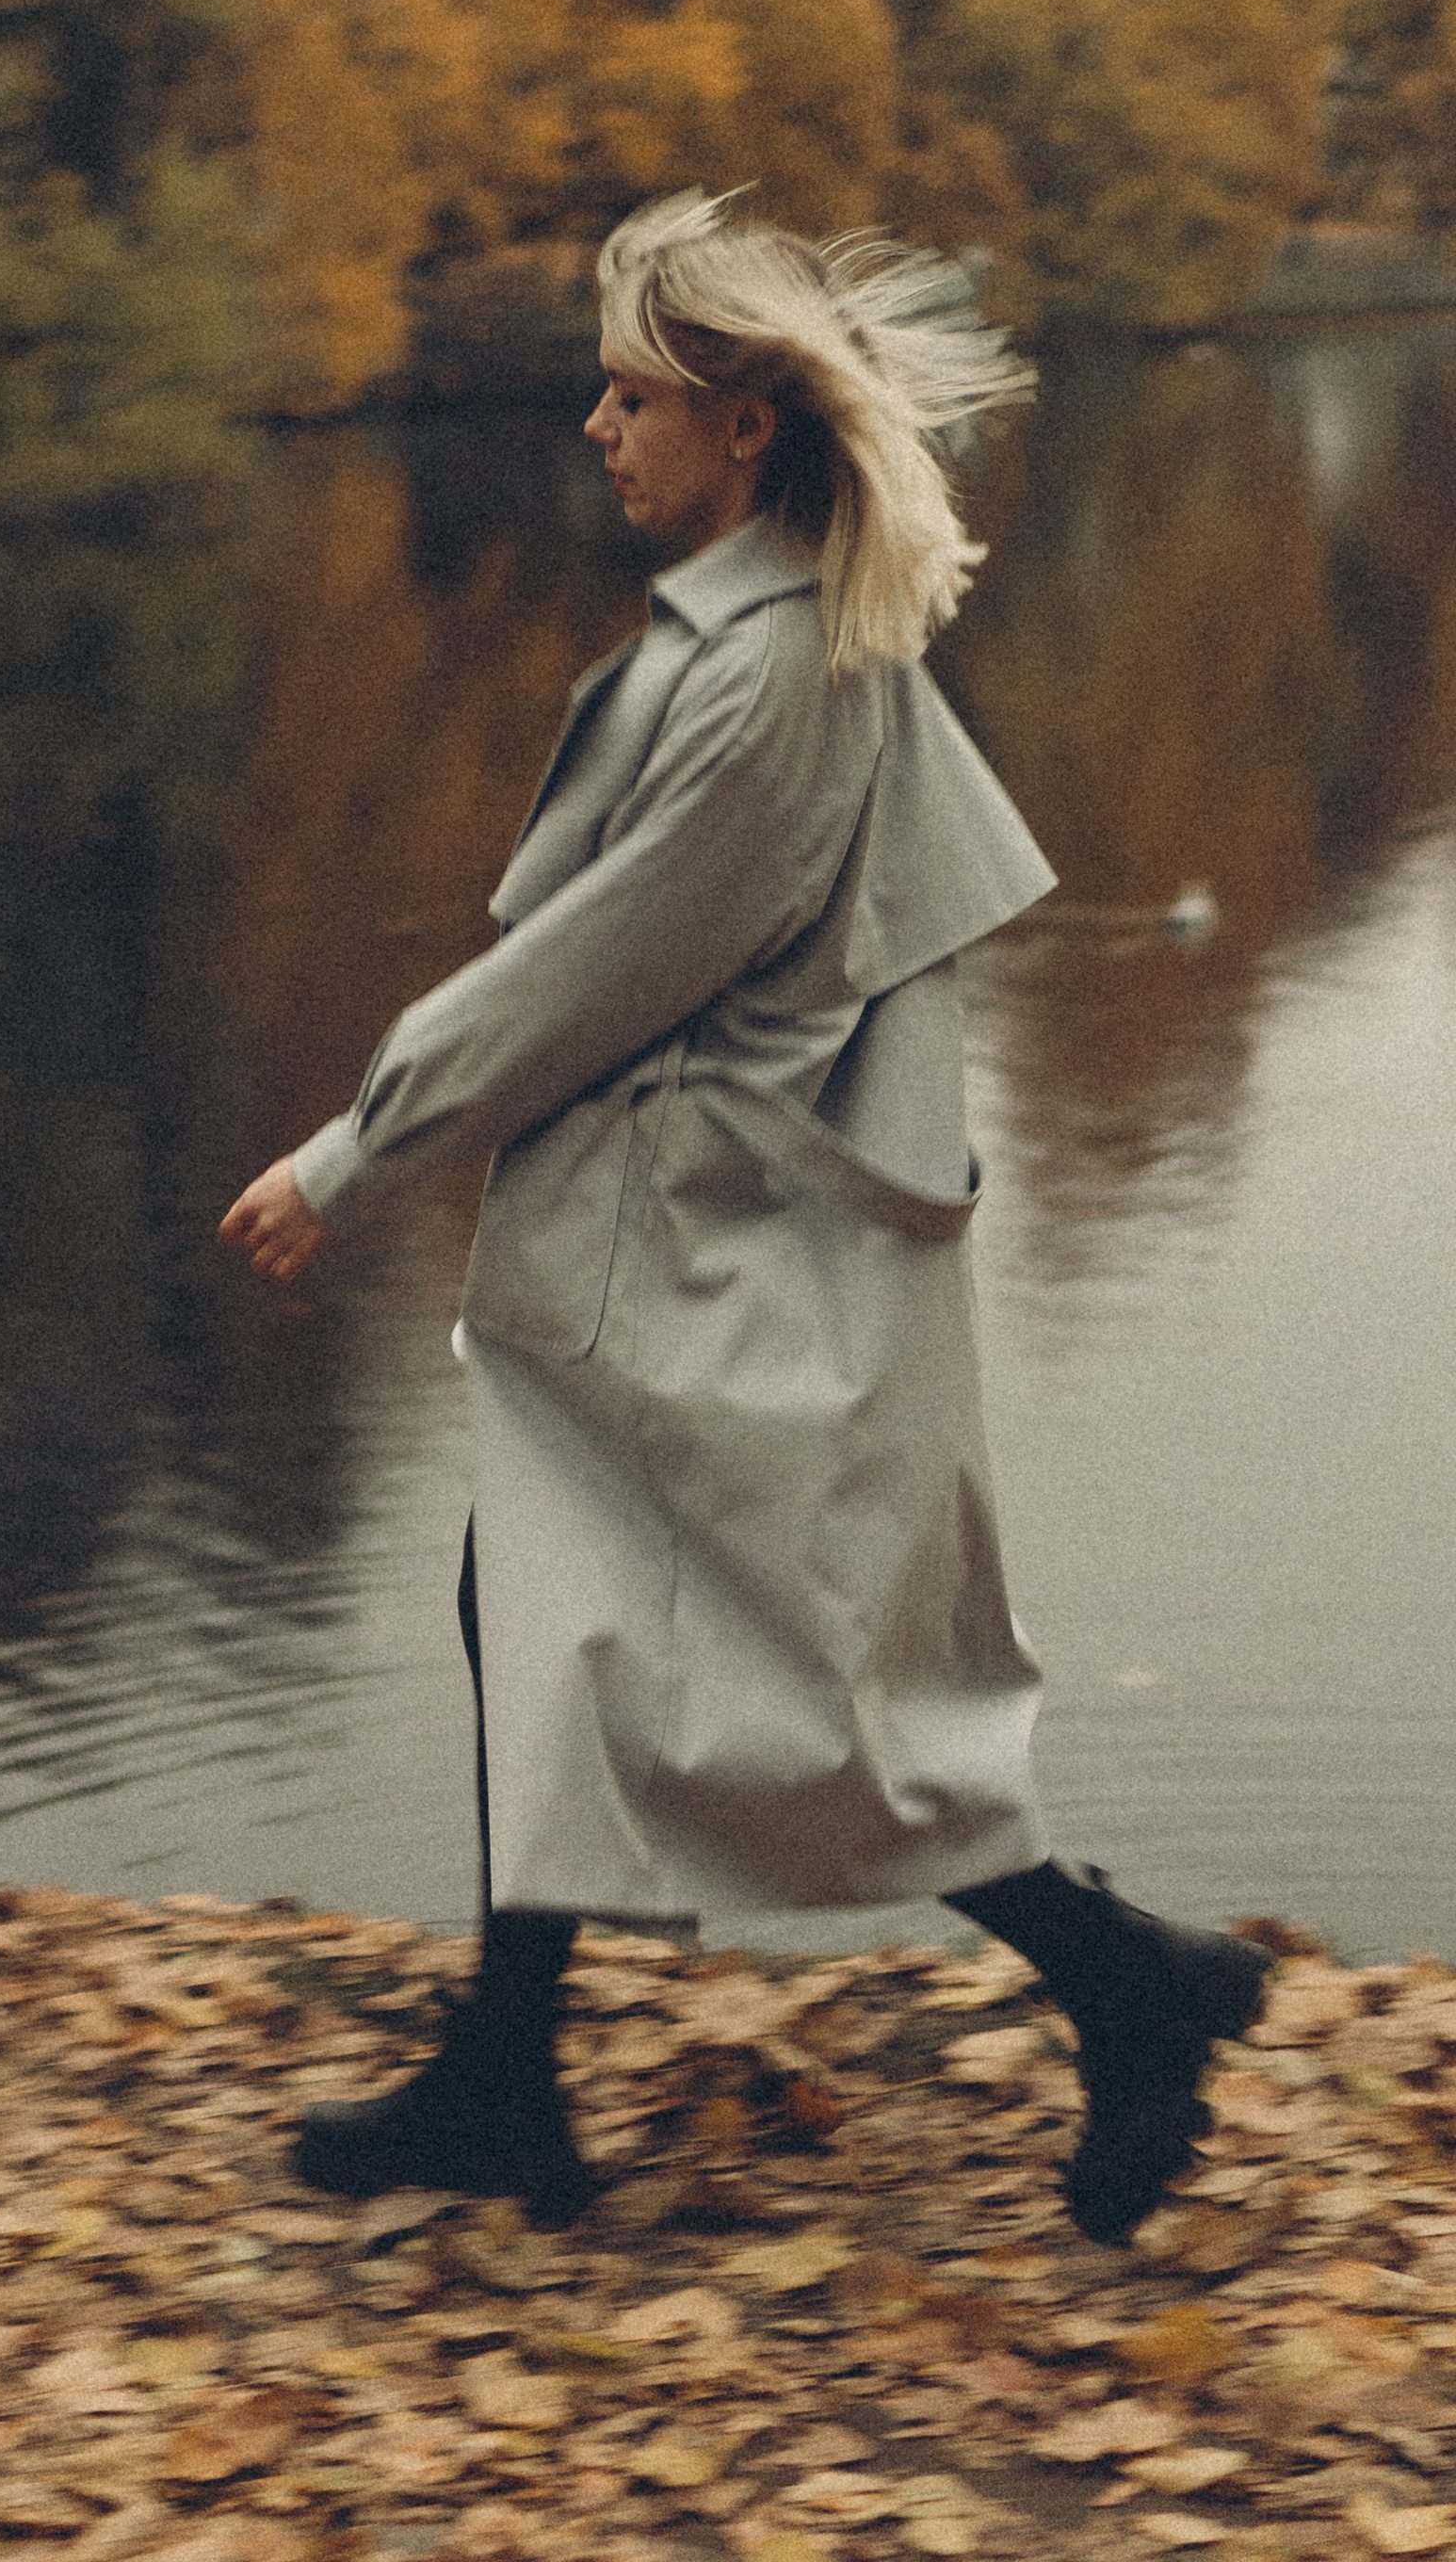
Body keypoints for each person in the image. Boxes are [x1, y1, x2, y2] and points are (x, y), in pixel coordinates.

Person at [218, 187, 1268, 2243]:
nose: (598, 434)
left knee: (795, 1700)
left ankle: (1126, 1984)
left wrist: (349, 1152)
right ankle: (508, 2078)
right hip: (694, 1238)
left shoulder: (769, 679)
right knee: (565, 1621)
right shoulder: (775, 644)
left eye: (631, 400)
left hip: (689, 1260)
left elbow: (580, 971)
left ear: (744, 431)